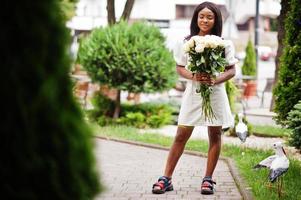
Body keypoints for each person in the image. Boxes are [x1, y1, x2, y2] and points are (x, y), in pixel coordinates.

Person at [152, 1, 238, 195]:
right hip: (193, 93)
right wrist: (194, 76)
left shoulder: (224, 44)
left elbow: (232, 70)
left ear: (215, 20)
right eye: (201, 16)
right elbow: (180, 67)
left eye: (209, 17)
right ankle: (166, 178)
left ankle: (208, 180)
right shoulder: (186, 43)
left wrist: (216, 79)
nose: (205, 20)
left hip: (215, 94)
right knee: (181, 134)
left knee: (215, 135)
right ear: (195, 18)